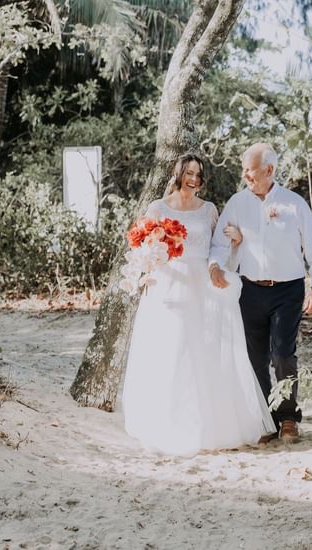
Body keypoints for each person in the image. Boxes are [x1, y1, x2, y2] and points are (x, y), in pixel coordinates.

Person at [122, 152, 275, 456]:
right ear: (178, 174)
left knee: (200, 351)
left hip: (201, 285)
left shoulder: (209, 211)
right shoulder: (158, 208)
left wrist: (236, 240)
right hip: (168, 284)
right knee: (172, 350)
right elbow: (143, 248)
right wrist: (150, 265)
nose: (193, 179)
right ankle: (168, 422)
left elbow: (218, 248)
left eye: (198, 174)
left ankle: (206, 423)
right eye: (188, 173)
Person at [209, 143, 312, 443]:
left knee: (282, 354)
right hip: (250, 290)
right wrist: (215, 267)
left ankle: (288, 417)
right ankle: (265, 418)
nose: (245, 175)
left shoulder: (294, 204)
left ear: (269, 170)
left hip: (288, 290)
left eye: (249, 169)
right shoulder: (237, 203)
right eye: (245, 170)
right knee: (255, 357)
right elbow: (220, 242)